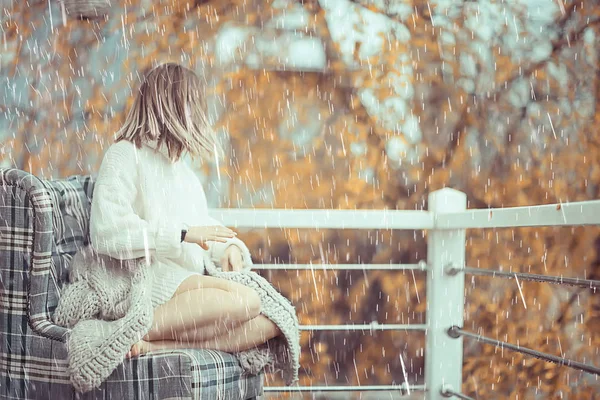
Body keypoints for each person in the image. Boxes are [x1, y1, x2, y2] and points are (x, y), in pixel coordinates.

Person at [89, 62, 280, 357]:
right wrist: (181, 234)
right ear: (170, 105)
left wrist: (229, 248)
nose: (199, 115)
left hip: (184, 285)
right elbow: (107, 232)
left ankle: (157, 346)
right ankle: (126, 330)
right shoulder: (125, 155)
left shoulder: (184, 174)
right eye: (192, 104)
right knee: (249, 302)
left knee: (270, 322)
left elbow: (201, 225)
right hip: (147, 279)